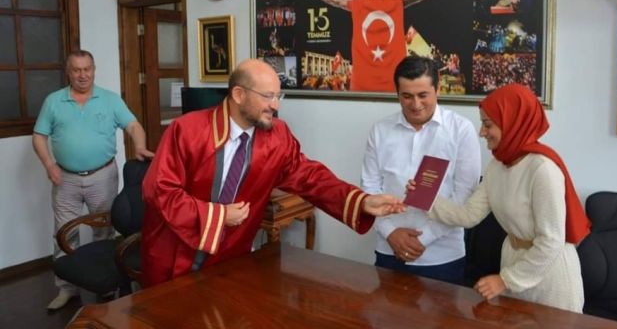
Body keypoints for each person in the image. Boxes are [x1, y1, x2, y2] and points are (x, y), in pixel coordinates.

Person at [141, 59, 405, 287]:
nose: (275, 105)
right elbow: (159, 190)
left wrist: (361, 201)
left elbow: (310, 177)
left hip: (230, 258)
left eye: (279, 96)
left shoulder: (278, 135)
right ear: (238, 94)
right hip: (174, 255)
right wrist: (219, 216)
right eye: (268, 96)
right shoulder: (187, 130)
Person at [410, 83, 590, 312]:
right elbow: (469, 215)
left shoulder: (542, 169)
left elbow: (552, 241)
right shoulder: (497, 166)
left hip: (551, 277)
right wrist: (423, 197)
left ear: (512, 123)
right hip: (513, 263)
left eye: (487, 125)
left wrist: (505, 280)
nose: (481, 132)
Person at [32, 49, 153, 311]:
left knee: (105, 230)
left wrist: (140, 146)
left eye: (87, 69)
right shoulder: (53, 101)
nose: (82, 75)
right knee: (64, 232)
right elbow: (39, 136)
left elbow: (133, 125)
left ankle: (105, 285)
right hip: (65, 178)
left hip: (103, 176)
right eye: (76, 70)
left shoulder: (109, 99)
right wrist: (49, 164)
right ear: (68, 72)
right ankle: (67, 289)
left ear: (94, 70)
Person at [361, 57, 481, 285]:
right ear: (397, 93)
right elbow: (369, 189)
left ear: (437, 89)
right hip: (389, 249)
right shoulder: (380, 130)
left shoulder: (461, 130)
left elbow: (464, 197)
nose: (415, 104)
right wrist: (390, 233)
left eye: (423, 95)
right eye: (407, 96)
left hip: (442, 256)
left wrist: (422, 240)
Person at [303, 0, 461, 92]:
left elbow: (334, 1)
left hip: (361, 86)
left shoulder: (356, 3)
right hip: (391, 85)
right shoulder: (395, 2)